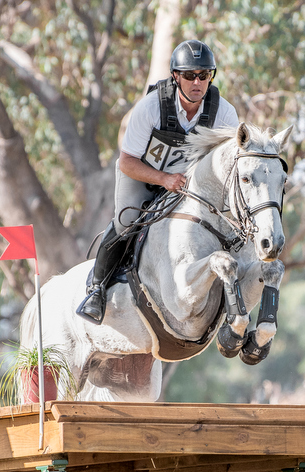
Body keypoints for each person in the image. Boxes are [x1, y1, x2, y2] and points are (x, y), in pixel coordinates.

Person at [77, 39, 240, 324]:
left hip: (186, 184)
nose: (197, 82)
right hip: (142, 174)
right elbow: (127, 161)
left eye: (204, 75)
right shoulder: (152, 107)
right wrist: (163, 179)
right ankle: (96, 289)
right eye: (189, 75)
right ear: (176, 76)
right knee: (127, 222)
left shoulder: (224, 113)